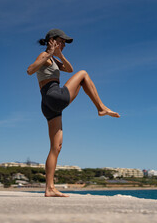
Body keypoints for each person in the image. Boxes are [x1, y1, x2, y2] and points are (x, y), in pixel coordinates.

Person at [27, 29, 120, 197]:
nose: (63, 44)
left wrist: (59, 55)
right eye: (61, 41)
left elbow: (69, 69)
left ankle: (49, 188)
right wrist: (48, 53)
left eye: (64, 43)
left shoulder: (54, 59)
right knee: (83, 74)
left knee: (56, 147)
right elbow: (30, 70)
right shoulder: (44, 55)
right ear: (52, 40)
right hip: (54, 96)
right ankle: (101, 108)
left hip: (48, 104)